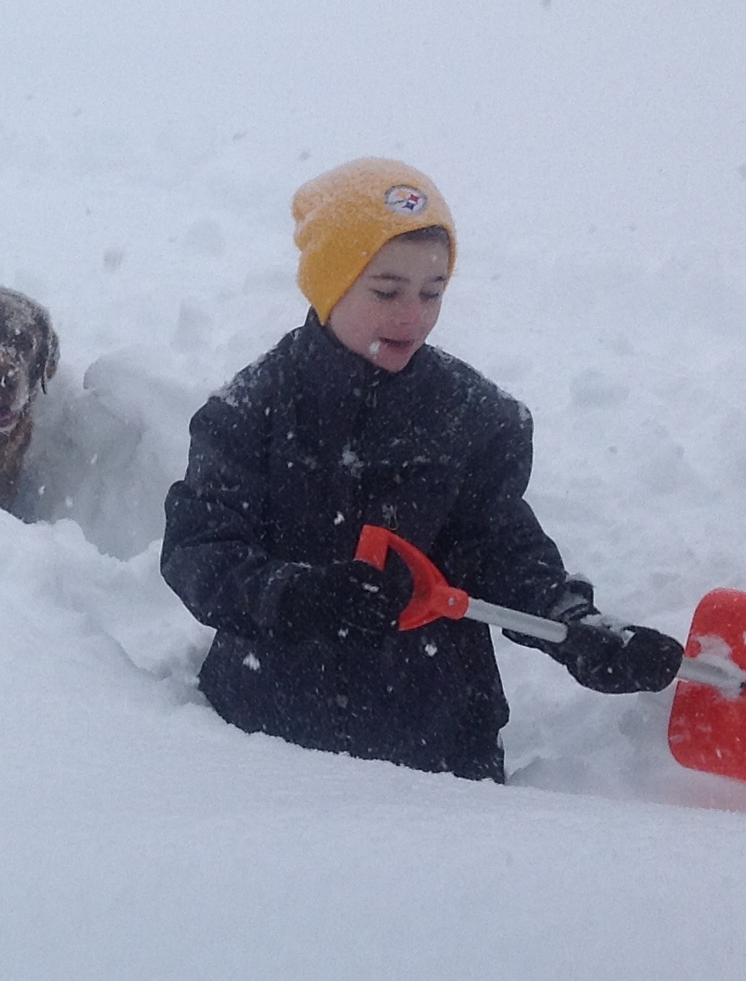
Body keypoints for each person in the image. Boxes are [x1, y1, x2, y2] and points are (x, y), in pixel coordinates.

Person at [160, 159, 684, 781]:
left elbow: (500, 549)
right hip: (271, 748)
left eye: (432, 293)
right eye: (387, 291)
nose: (413, 314)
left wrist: (572, 625)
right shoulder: (250, 413)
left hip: (438, 749)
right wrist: (301, 596)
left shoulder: (473, 416)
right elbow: (200, 552)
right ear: (331, 286)